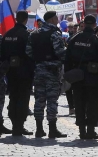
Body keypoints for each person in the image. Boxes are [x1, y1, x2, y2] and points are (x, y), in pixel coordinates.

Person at [65, 15, 98, 139]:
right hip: (92, 75)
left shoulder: (74, 38)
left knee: (79, 103)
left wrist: (68, 74)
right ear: (94, 25)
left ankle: (82, 130)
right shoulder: (97, 40)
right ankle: (91, 131)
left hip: (77, 75)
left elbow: (67, 59)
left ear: (83, 24)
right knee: (92, 104)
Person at [26, 10, 67, 138]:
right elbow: (60, 52)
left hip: (39, 70)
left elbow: (28, 52)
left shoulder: (34, 34)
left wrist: (39, 62)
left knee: (39, 100)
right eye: (56, 18)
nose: (57, 20)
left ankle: (39, 129)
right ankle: (52, 129)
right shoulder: (54, 34)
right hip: (52, 71)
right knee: (52, 100)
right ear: (51, 20)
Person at [1, 10, 34, 136]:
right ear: (26, 20)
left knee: (13, 96)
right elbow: (30, 53)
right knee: (23, 98)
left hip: (11, 70)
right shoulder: (26, 34)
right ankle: (19, 125)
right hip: (24, 70)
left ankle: (15, 123)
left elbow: (2, 52)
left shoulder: (8, 34)